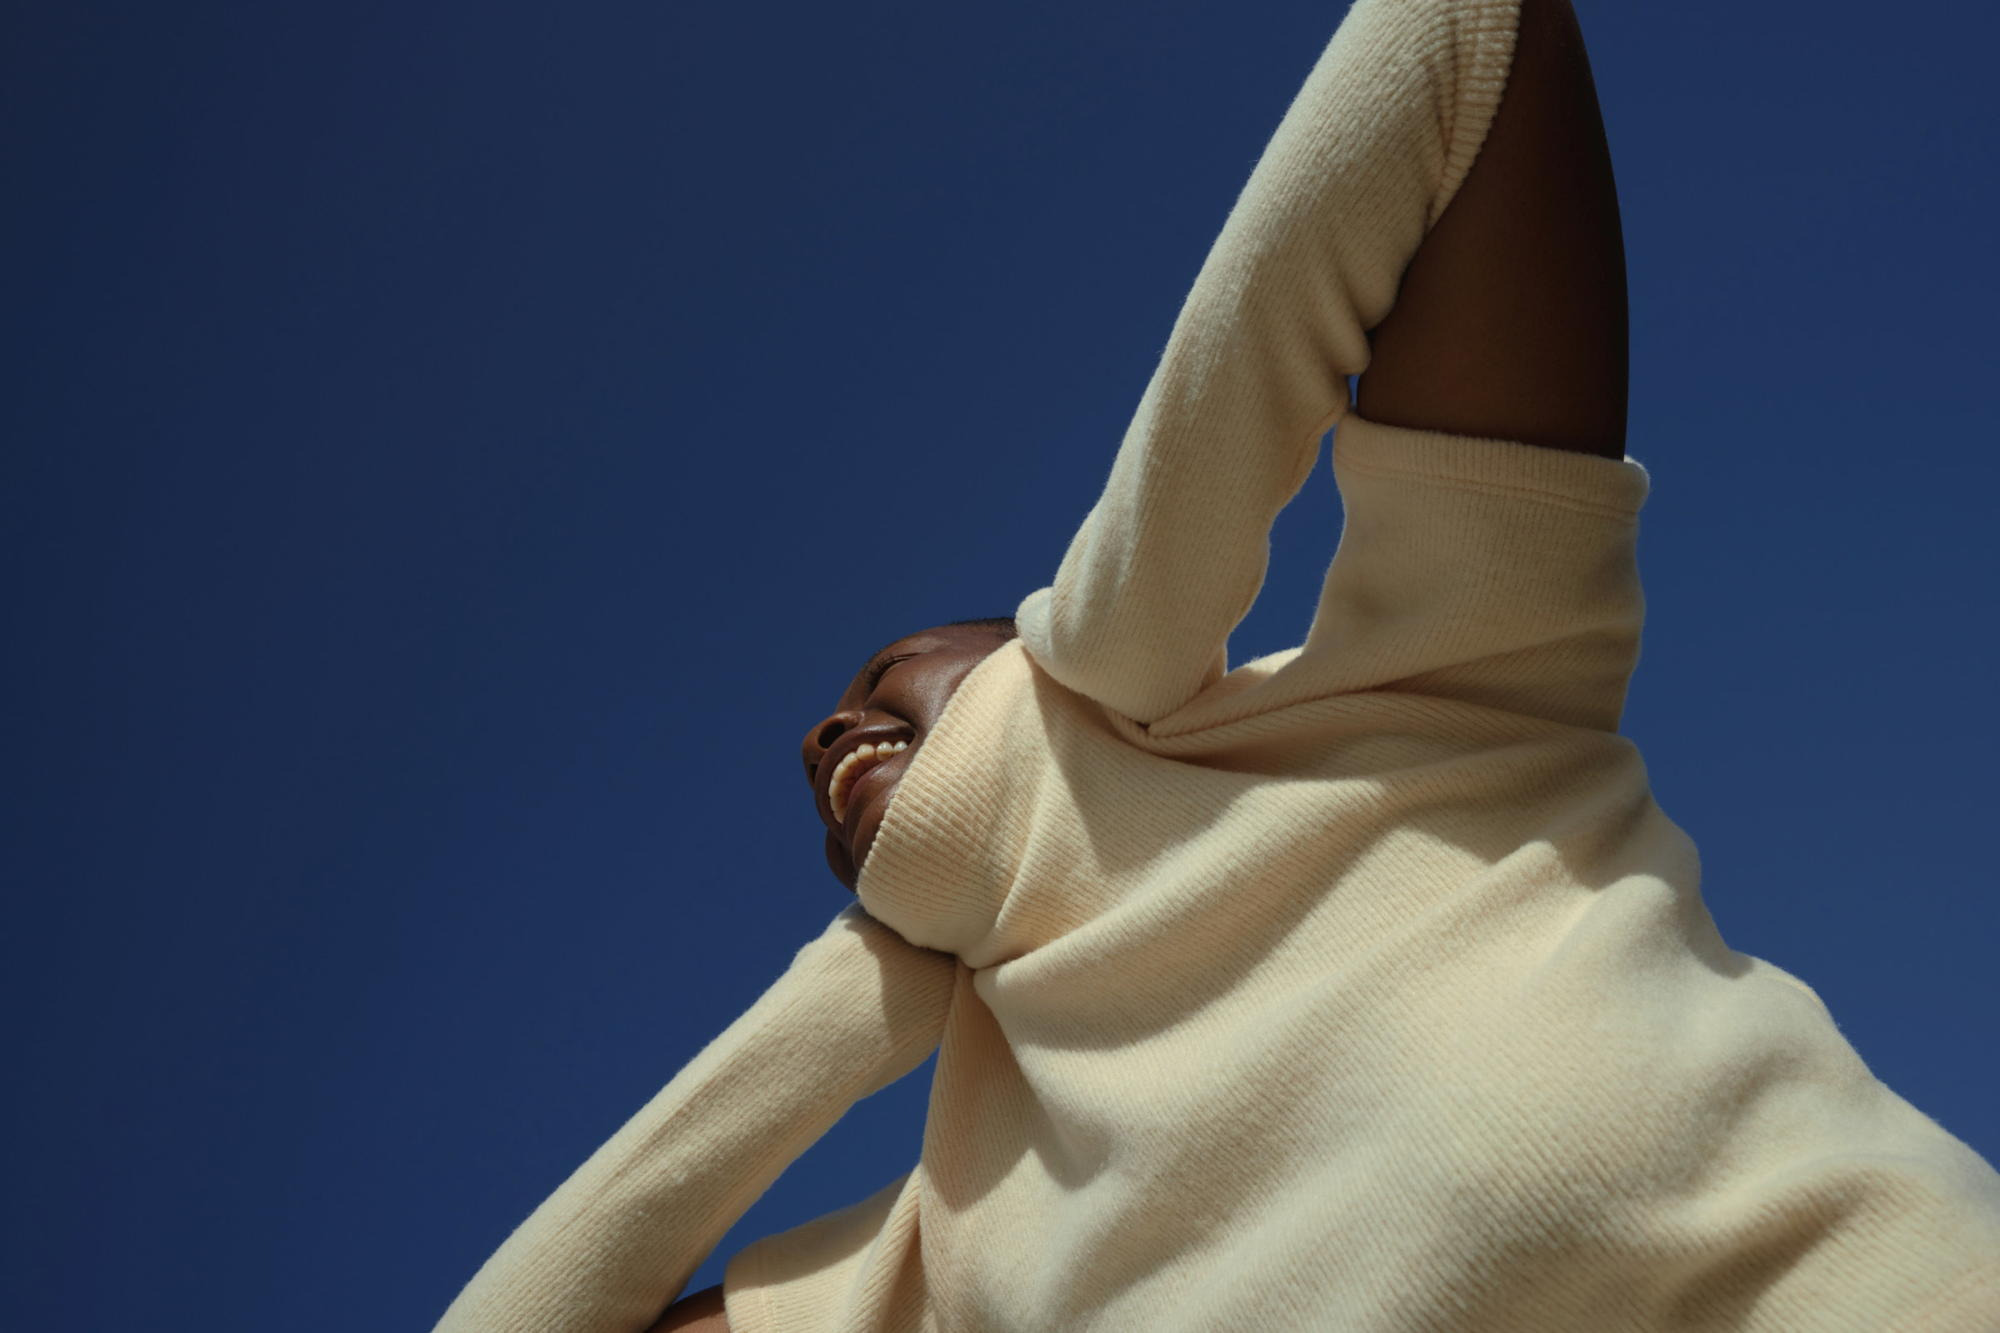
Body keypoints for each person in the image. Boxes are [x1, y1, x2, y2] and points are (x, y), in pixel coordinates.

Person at [436, 0, 2000, 1329]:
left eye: (890, 674)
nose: (826, 735)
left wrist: (1117, 625)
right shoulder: (941, 1250)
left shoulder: (1431, 713)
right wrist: (855, 995)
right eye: (827, 737)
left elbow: (1466, 40)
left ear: (1017, 648)